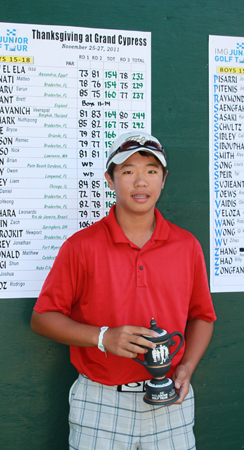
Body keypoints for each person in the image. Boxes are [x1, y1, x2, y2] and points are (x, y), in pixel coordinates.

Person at [31, 131, 216, 450]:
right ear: (110, 179)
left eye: (151, 171)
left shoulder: (187, 246)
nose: (140, 181)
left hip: (171, 401)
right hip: (100, 400)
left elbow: (202, 317)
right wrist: (103, 337)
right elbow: (43, 318)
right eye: (128, 171)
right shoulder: (81, 247)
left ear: (163, 179)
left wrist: (186, 368)